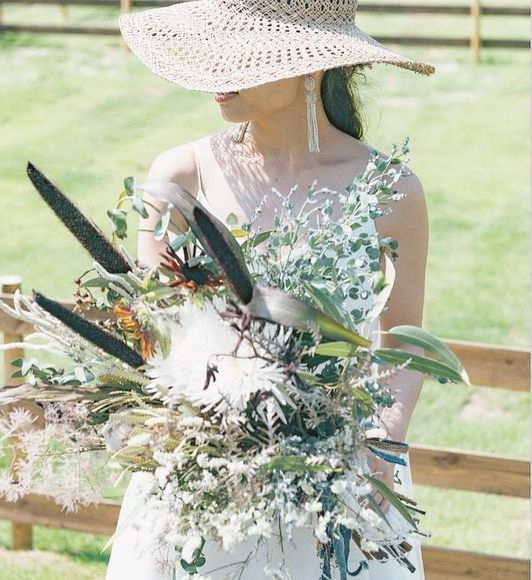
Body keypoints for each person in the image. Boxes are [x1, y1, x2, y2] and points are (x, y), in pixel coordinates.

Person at [107, 0, 432, 578]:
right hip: (202, 478)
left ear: (311, 63)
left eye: (243, 48)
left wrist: (384, 438)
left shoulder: (391, 190)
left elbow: (404, 337)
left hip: (342, 475)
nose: (217, 64)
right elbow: (150, 329)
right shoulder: (181, 175)